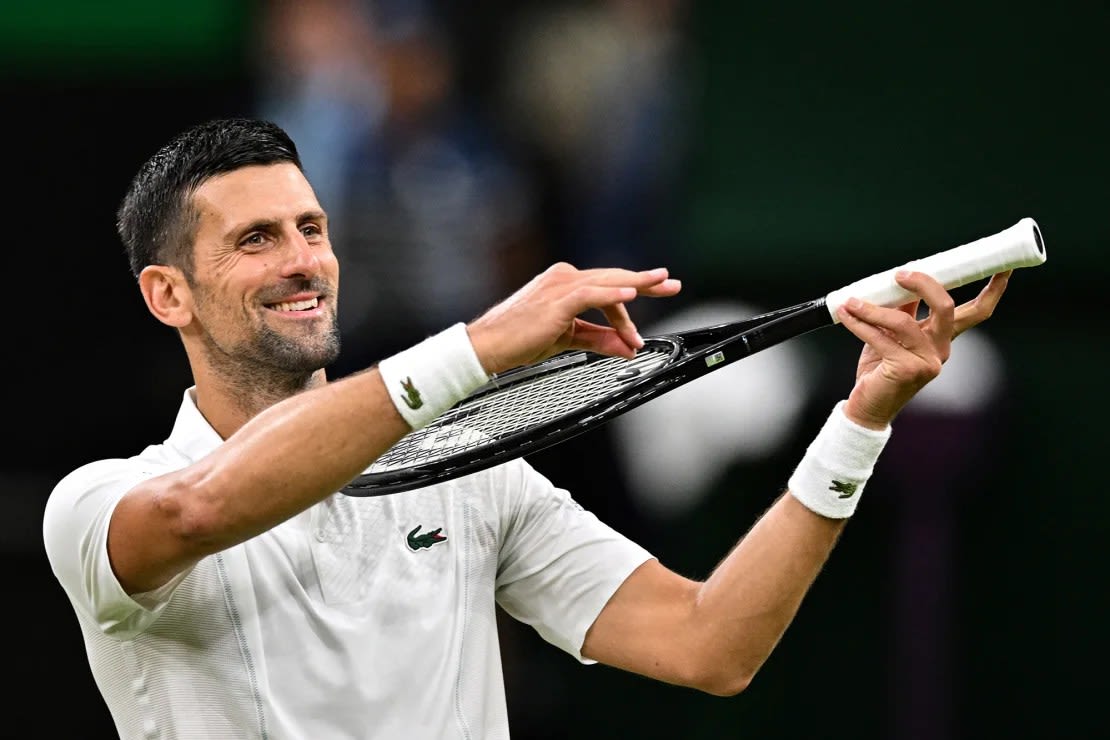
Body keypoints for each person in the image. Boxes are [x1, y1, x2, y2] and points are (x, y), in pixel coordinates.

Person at [42, 117, 1012, 739]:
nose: (303, 260)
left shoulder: (469, 474)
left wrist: (862, 419)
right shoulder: (98, 504)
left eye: (311, 228)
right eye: (256, 238)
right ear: (168, 293)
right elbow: (204, 506)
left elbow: (710, 642)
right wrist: (478, 345)